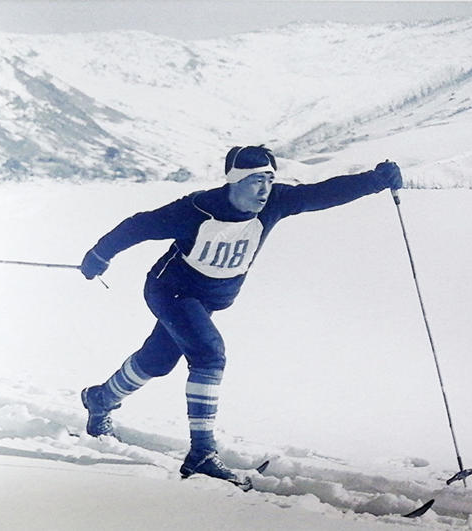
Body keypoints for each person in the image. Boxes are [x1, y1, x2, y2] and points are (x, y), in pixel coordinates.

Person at [79, 145, 402, 482]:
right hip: (170, 291)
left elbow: (322, 194)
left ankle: (100, 399)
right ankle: (202, 452)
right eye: (254, 181)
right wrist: (99, 255)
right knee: (209, 355)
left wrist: (376, 181)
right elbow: (139, 226)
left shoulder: (275, 203)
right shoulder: (196, 209)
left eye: (268, 180)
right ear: (234, 182)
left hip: (208, 299)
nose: (264, 189)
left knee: (157, 360)